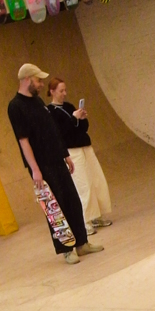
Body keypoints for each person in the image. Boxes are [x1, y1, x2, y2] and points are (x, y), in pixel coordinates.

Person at [7, 63, 103, 266]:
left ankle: (82, 243)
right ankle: (67, 249)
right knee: (55, 208)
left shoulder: (38, 101)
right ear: (27, 80)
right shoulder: (15, 106)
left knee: (72, 201)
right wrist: (35, 170)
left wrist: (64, 154)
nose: (41, 84)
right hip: (42, 165)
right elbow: (23, 141)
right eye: (38, 80)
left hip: (57, 159)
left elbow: (51, 130)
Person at [46, 77, 113, 236]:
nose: (64, 93)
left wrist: (82, 118)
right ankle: (84, 221)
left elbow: (82, 128)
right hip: (72, 151)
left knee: (96, 181)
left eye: (65, 90)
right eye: (61, 91)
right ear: (52, 91)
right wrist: (74, 118)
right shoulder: (50, 111)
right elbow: (60, 132)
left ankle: (96, 216)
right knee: (83, 185)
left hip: (85, 146)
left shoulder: (69, 106)